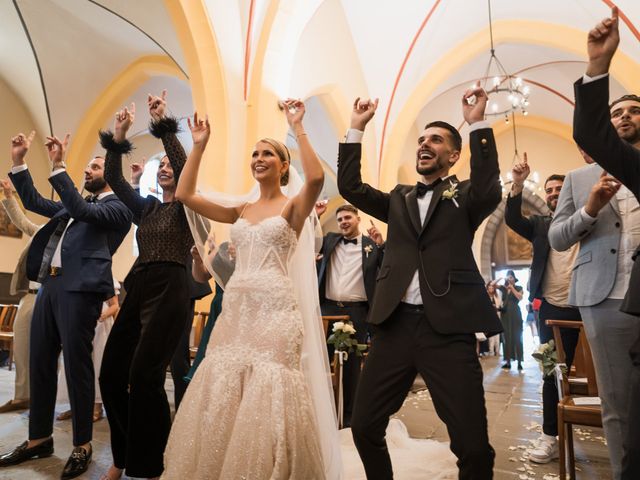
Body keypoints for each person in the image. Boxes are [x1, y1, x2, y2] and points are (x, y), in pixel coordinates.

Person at [163, 101, 341, 479]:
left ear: (282, 165)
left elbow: (314, 180)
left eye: (268, 154)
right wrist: (198, 146)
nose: (258, 158)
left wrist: (297, 125)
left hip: (275, 310)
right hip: (237, 309)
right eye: (255, 154)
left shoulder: (293, 208)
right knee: (227, 383)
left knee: (269, 385)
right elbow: (185, 195)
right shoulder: (240, 211)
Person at [337, 86, 502, 480]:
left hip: (448, 328)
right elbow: (350, 188)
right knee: (364, 428)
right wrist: (356, 129)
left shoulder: (465, 196)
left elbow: (488, 186)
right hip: (394, 326)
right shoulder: (399, 197)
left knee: (474, 447)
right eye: (423, 139)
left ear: (453, 155)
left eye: (436, 140)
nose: (425, 144)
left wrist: (477, 122)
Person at [0, 131, 132, 479]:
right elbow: (33, 201)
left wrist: (60, 165)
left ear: (113, 173)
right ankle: (38, 438)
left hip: (82, 289)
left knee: (77, 366)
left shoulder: (119, 207)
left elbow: (78, 206)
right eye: (87, 166)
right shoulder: (74, 206)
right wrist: (19, 160)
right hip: (50, 285)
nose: (88, 170)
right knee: (40, 361)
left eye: (95, 165)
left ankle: (83, 445)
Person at [98, 92, 195, 480]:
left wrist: (163, 120)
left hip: (171, 284)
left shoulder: (188, 205)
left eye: (173, 165)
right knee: (110, 374)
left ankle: (153, 464)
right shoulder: (148, 208)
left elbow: (185, 164)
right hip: (138, 283)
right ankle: (121, 458)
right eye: (164, 165)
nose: (168, 168)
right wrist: (118, 135)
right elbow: (113, 179)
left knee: (145, 376)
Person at [571, 6, 640, 478]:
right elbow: (591, 133)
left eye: (636, 110)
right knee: (621, 402)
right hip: (610, 295)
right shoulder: (599, 170)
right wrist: (598, 68)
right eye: (620, 110)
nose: (627, 117)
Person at [505, 157, 582, 462]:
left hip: (590, 303)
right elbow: (512, 218)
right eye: (549, 189)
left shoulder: (588, 219)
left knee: (606, 371)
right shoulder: (539, 225)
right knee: (552, 374)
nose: (553, 193)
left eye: (559, 188)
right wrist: (518, 184)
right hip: (551, 308)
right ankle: (550, 436)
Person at [317, 203, 384, 426]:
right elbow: (308, 240)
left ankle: (349, 415)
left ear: (358, 219)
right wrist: (315, 217)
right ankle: (326, 412)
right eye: (340, 219)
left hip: (357, 312)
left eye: (348, 217)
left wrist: (381, 245)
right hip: (328, 310)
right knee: (325, 362)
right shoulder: (329, 241)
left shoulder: (371, 246)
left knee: (352, 364)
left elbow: (388, 269)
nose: (344, 222)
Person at [0, 179, 40, 414]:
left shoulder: (75, 232)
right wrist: (8, 195)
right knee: (22, 346)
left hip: (52, 295)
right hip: (30, 294)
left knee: (47, 350)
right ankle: (21, 396)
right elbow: (21, 221)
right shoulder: (43, 230)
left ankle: (43, 396)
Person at [56, 281, 120, 422]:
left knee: (96, 363)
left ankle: (97, 407)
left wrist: (102, 315)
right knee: (76, 364)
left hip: (100, 326)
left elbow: (115, 305)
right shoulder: (77, 275)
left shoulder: (107, 278)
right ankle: (76, 406)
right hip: (79, 321)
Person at [498, 270, 524, 370]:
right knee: (506, 338)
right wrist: (501, 279)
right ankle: (508, 362)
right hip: (505, 315)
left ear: (514, 278)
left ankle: (519, 362)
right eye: (508, 277)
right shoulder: (503, 289)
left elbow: (520, 297)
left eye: (511, 277)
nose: (509, 279)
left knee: (517, 337)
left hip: (515, 315)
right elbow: (492, 285)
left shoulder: (519, 287)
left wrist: (512, 287)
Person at [485, 282, 502, 356]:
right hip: (489, 317)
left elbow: (500, 305)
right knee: (491, 337)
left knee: (497, 336)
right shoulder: (485, 296)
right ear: (487, 288)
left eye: (492, 287)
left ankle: (497, 351)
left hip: (497, 317)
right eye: (489, 288)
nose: (491, 289)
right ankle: (491, 351)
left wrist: (496, 307)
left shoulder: (497, 295)